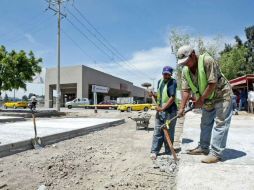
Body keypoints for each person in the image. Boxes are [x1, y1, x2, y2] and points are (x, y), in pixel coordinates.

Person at [177, 45, 233, 164]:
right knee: (205, 123)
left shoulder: (207, 61)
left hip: (222, 95)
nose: (185, 64)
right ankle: (203, 147)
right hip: (207, 98)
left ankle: (216, 153)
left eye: (186, 61)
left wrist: (200, 100)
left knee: (221, 123)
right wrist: (181, 108)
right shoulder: (185, 71)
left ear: (193, 55)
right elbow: (185, 90)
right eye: (182, 63)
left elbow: (212, 84)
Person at [150, 66, 178, 160]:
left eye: (168, 74)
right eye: (164, 73)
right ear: (162, 73)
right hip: (160, 111)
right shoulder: (160, 81)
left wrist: (162, 108)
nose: (166, 75)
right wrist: (153, 94)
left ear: (171, 74)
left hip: (170, 112)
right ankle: (154, 151)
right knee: (157, 131)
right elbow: (160, 94)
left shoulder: (172, 82)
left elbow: (172, 97)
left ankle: (168, 151)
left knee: (168, 132)